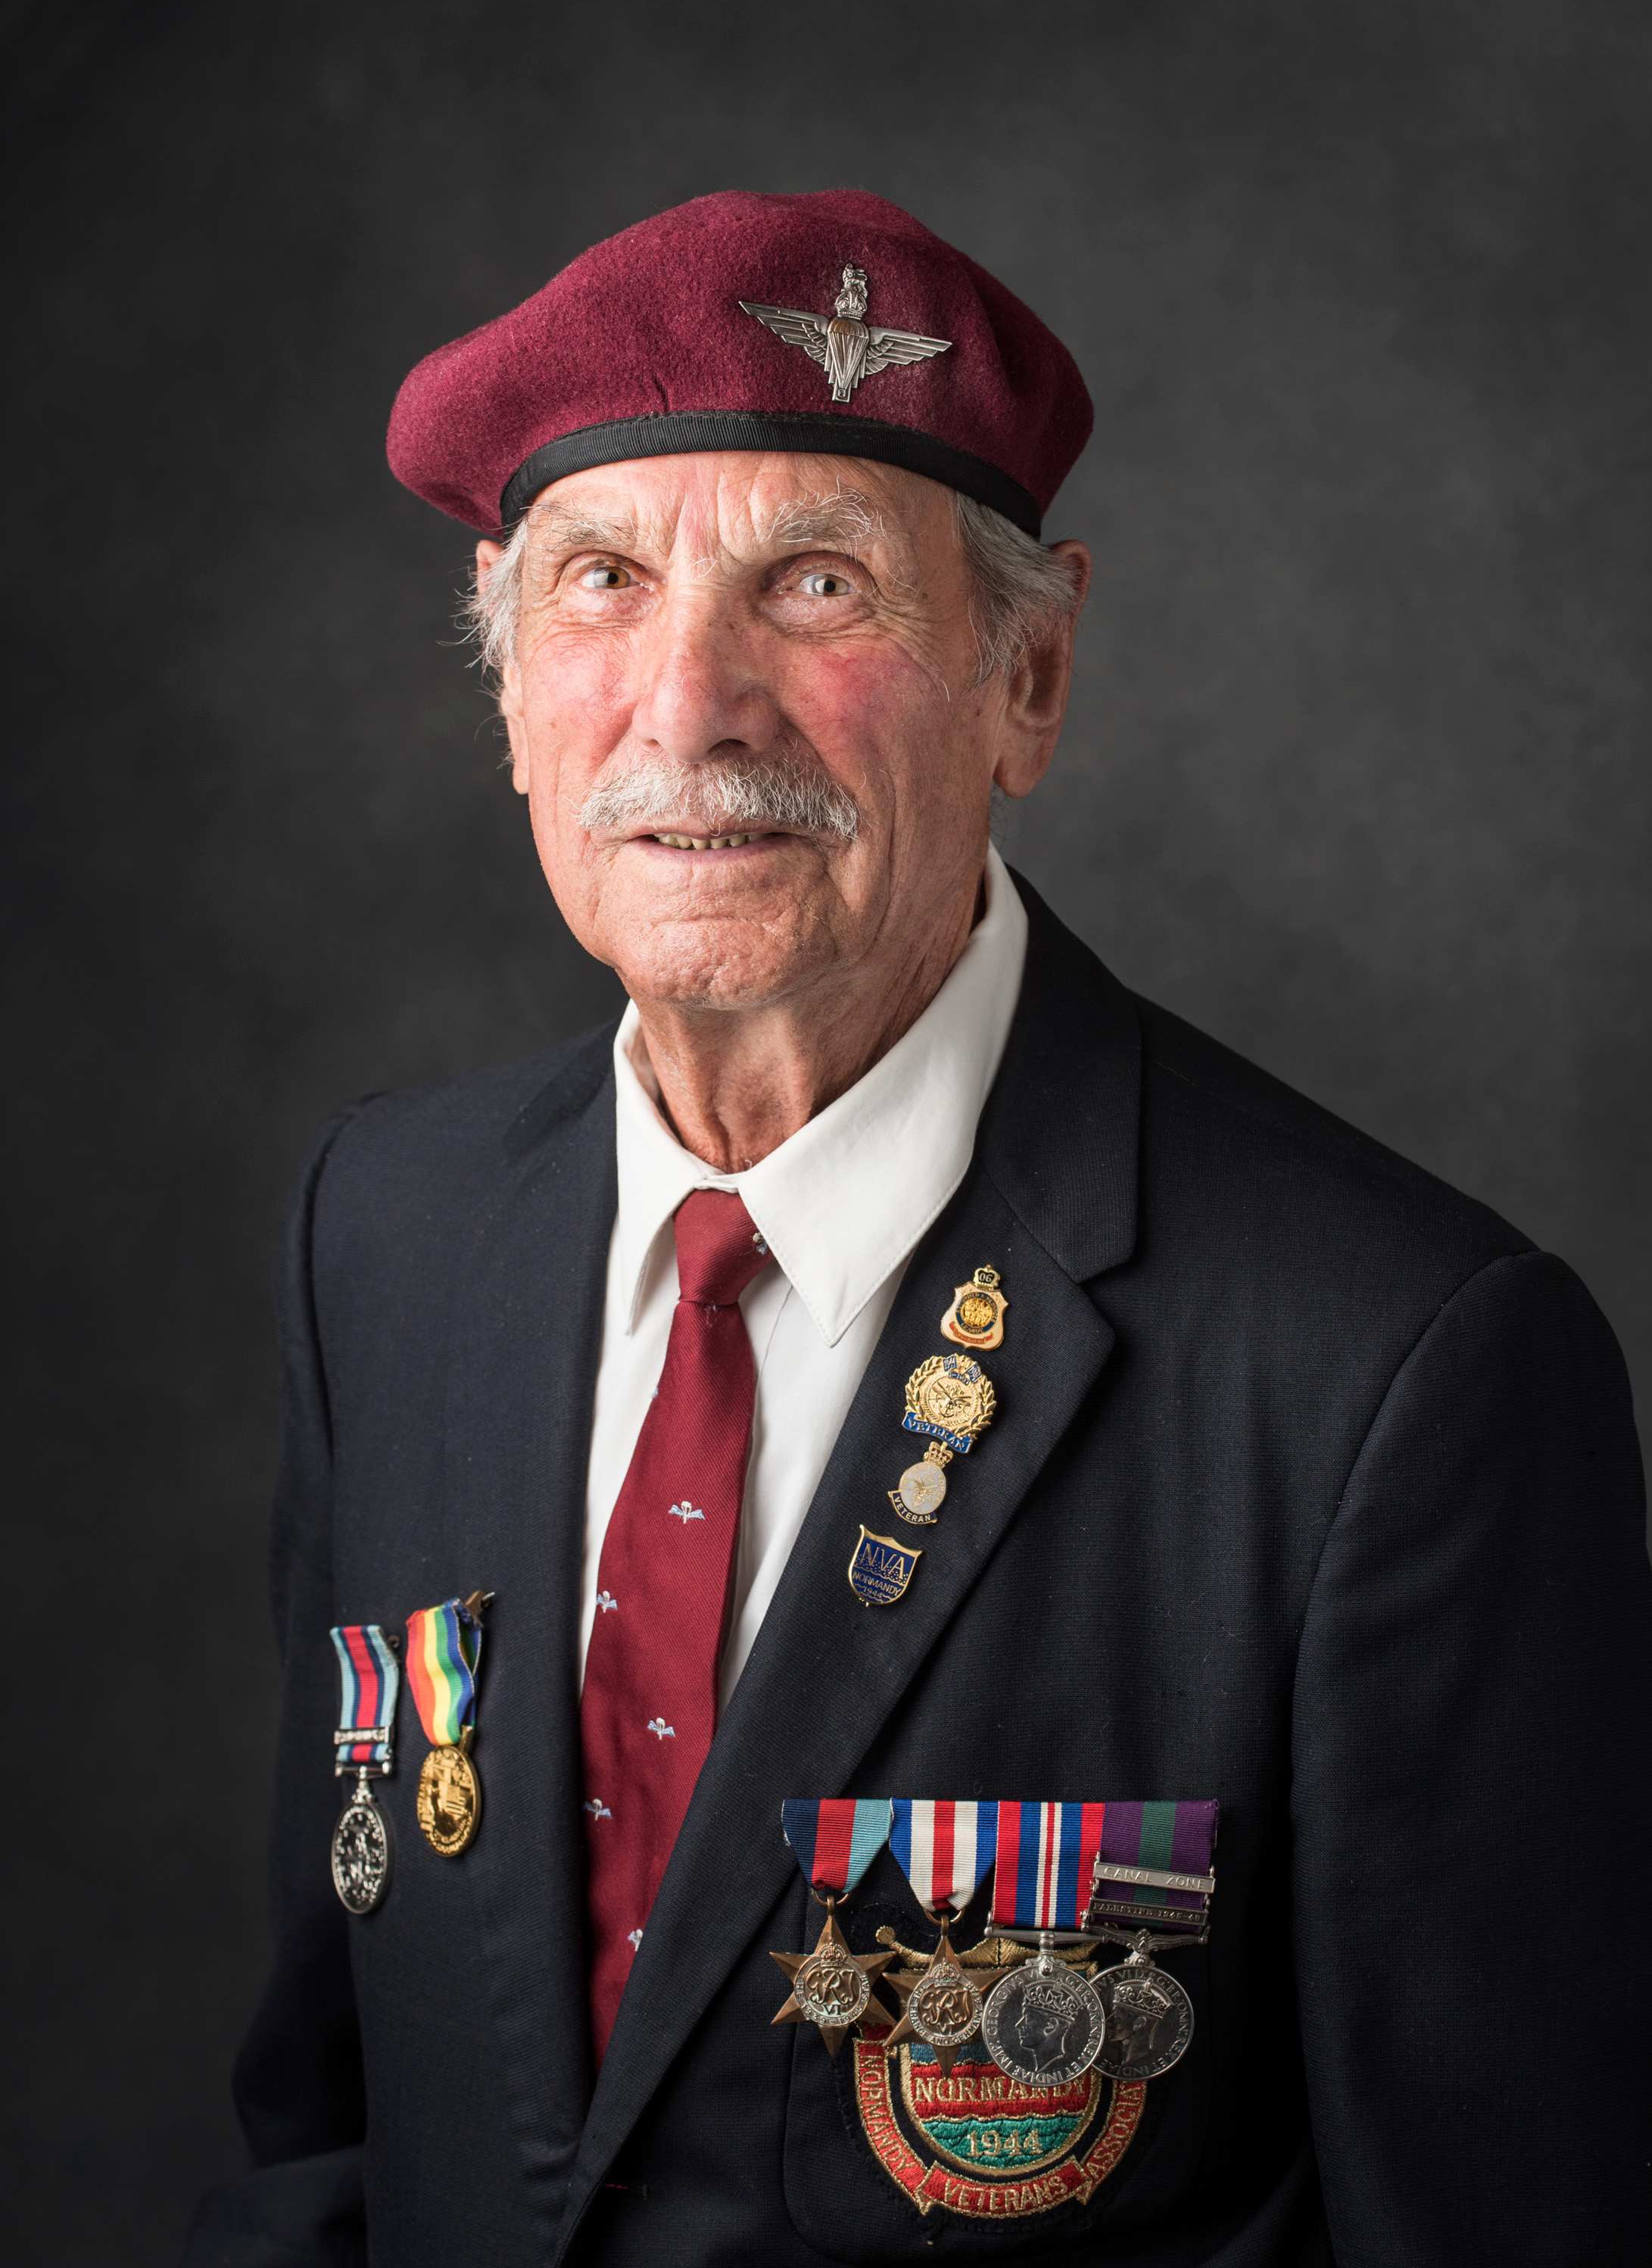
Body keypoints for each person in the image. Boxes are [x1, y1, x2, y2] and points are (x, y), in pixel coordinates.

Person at [185, 190, 1651, 2267]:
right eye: (602, 582)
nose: (689, 708)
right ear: (510, 697)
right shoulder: (387, 1237)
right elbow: (333, 2121)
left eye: (812, 585)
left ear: (1026, 681)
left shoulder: (1399, 1373)